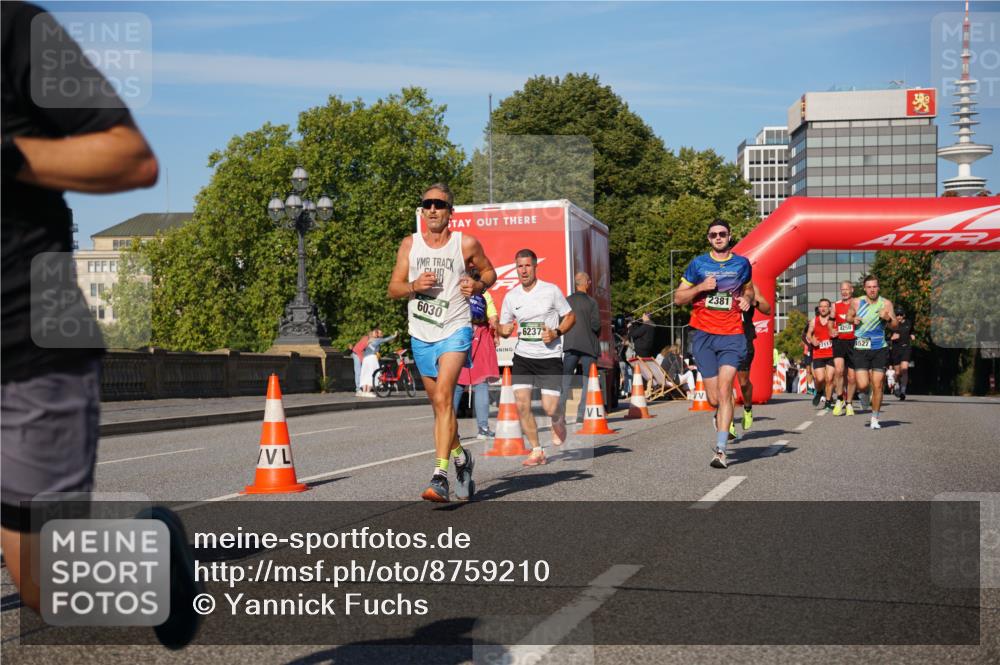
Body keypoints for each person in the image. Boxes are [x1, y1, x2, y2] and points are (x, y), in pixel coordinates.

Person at [1, 2, 200, 650]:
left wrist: (8, 156)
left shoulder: (16, 29)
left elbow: (131, 158)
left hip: (28, 347)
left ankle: (150, 556)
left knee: (43, 587)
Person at [387, 183, 496, 502]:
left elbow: (489, 272)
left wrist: (477, 286)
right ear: (422, 210)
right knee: (440, 407)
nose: (433, 209)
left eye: (440, 204)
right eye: (427, 204)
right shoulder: (410, 245)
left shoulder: (466, 244)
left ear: (451, 212)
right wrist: (413, 286)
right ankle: (462, 458)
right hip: (422, 332)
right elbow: (393, 287)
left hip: (456, 328)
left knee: (446, 396)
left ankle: (440, 476)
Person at [673, 219, 753, 469]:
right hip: (704, 335)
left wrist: (747, 299)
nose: (718, 237)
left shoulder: (742, 264)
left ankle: (721, 450)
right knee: (714, 399)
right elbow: (678, 299)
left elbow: (749, 289)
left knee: (726, 386)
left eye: (722, 234)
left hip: (732, 334)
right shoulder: (698, 264)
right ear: (708, 238)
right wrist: (700, 287)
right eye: (713, 235)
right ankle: (720, 415)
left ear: (730, 236)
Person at [498, 249, 576, 466]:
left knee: (550, 408)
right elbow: (504, 326)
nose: (523, 270)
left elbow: (570, 316)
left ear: (535, 267)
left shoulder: (550, 291)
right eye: (519, 266)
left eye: (527, 266)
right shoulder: (511, 296)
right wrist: (502, 330)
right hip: (523, 356)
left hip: (549, 356)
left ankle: (558, 419)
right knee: (522, 405)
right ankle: (537, 450)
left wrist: (556, 332)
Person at [846, 275, 898, 430]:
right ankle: (862, 393)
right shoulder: (856, 302)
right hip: (861, 347)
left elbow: (895, 325)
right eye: (869, 287)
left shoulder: (886, 303)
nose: (872, 290)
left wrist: (888, 318)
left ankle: (875, 417)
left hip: (879, 347)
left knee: (878, 385)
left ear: (878, 287)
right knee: (862, 384)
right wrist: (852, 319)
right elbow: (848, 316)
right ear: (864, 288)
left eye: (874, 286)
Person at [453, 282, 500, 438]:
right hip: (481, 336)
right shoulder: (484, 293)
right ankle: (483, 429)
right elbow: (493, 318)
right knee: (480, 384)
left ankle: (449, 429)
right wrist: (497, 333)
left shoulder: (455, 289)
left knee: (457, 384)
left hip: (458, 334)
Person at [560, 272, 601, 424]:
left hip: (570, 345)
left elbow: (561, 321)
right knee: (587, 381)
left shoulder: (566, 301)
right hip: (588, 347)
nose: (590, 283)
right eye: (589, 281)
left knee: (565, 380)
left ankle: (561, 414)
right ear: (586, 283)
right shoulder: (592, 302)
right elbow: (596, 325)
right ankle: (581, 413)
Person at [735, 285, 771, 430]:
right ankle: (728, 422)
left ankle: (748, 408)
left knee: (743, 382)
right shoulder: (719, 283)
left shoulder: (750, 288)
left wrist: (753, 302)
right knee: (725, 382)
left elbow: (767, 309)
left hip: (743, 338)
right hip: (723, 339)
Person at [832, 281, 858, 416]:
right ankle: (839, 398)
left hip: (854, 341)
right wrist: (831, 330)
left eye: (847, 289)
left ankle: (849, 403)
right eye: (842, 289)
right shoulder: (835, 305)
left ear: (852, 290)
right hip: (839, 341)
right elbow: (831, 323)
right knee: (839, 370)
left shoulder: (858, 304)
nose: (844, 292)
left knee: (852, 377)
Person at [806, 299, 837, 409]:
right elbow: (808, 334)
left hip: (831, 353)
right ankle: (819, 392)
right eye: (821, 306)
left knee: (829, 379)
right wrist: (812, 339)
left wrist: (835, 334)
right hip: (818, 353)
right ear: (819, 308)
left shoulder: (834, 320)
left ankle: (828, 402)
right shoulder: (814, 321)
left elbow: (839, 332)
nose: (823, 308)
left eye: (826, 306)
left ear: (829, 308)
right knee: (819, 379)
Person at [359, 328, 397, 397]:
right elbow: (385, 340)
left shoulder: (369, 340)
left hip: (365, 359)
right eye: (378, 333)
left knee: (365, 374)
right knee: (372, 374)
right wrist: (394, 335)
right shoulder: (377, 340)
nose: (380, 334)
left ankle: (364, 392)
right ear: (376, 334)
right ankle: (368, 392)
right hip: (371, 358)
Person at [889, 307, 915, 400]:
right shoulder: (892, 324)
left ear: (903, 315)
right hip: (896, 349)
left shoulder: (908, 323)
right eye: (897, 315)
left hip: (906, 348)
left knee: (904, 369)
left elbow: (912, 331)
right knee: (897, 372)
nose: (899, 316)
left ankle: (903, 391)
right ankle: (896, 385)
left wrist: (912, 335)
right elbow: (886, 338)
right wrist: (891, 338)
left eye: (900, 314)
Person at [351, 331, 370, 396]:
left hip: (359, 354)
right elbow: (359, 350)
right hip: (356, 354)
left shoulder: (367, 339)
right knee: (358, 372)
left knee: (362, 372)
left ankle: (362, 388)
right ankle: (358, 390)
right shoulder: (366, 340)